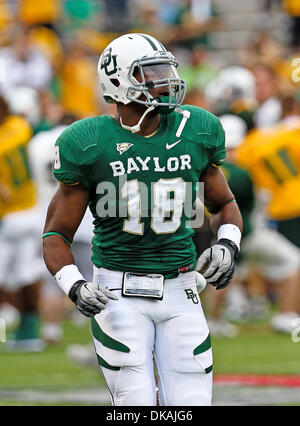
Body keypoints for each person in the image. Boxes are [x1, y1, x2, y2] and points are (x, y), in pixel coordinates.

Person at [43, 33, 242, 406]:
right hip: (117, 294)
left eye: (167, 69)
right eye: (151, 72)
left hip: (183, 288)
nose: (167, 79)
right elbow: (56, 233)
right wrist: (75, 285)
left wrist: (228, 244)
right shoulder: (89, 142)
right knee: (135, 405)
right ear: (117, 80)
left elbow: (226, 203)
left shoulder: (195, 130)